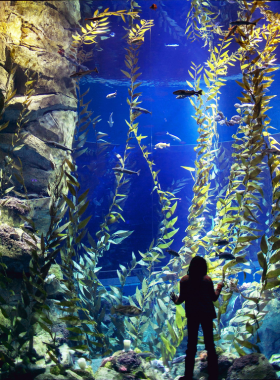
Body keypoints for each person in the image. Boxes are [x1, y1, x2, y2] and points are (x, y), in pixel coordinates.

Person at [170, 255, 224, 380]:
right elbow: (214, 298)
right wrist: (219, 288)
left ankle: (188, 375)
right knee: (210, 345)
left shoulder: (184, 280)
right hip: (206, 314)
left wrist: (174, 299)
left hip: (192, 314)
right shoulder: (207, 280)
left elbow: (180, 300)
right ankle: (213, 375)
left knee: (191, 346)